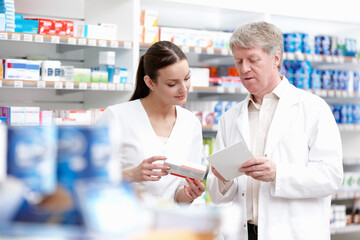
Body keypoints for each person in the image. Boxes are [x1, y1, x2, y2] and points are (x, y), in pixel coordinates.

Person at [206, 21, 343, 240]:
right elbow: (218, 196)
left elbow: (331, 176)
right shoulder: (230, 118)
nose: (244, 69)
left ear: (275, 58)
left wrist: (277, 174)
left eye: (252, 59)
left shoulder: (313, 108)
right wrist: (223, 179)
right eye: (239, 60)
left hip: (293, 233)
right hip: (244, 233)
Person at [97, 41, 205, 205]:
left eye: (187, 78)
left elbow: (179, 194)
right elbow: (91, 179)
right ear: (150, 83)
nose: (184, 89)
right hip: (125, 221)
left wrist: (188, 194)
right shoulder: (116, 117)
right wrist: (132, 174)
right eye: (172, 84)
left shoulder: (191, 123)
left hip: (170, 225)